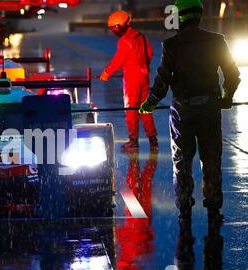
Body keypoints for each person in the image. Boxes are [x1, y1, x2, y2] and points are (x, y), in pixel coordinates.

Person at [139, 0, 241, 222]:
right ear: (200, 15)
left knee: (182, 160)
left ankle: (184, 202)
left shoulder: (172, 45)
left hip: (182, 110)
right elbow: (233, 74)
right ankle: (213, 201)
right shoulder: (216, 41)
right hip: (209, 107)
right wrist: (226, 97)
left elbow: (163, 79)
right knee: (211, 157)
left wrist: (151, 102)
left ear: (180, 17)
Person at [100, 10, 158, 151]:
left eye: (114, 28)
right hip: (144, 77)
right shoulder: (141, 37)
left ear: (121, 26)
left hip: (132, 78)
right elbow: (150, 53)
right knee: (145, 109)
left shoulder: (124, 41)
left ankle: (133, 141)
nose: (114, 31)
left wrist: (106, 73)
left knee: (131, 109)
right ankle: (153, 140)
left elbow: (118, 60)